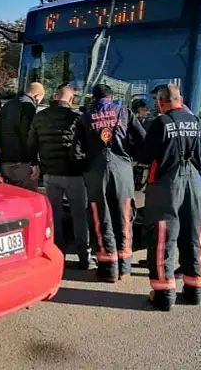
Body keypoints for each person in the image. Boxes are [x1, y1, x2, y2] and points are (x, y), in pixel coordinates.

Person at [138, 83, 201, 312]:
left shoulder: (161, 123)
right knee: (193, 234)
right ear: (181, 98)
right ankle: (194, 289)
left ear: (160, 101)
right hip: (194, 184)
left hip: (167, 185)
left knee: (162, 236)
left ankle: (163, 294)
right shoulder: (197, 122)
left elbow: (145, 155)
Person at [73, 84, 146, 282]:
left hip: (96, 172)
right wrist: (132, 156)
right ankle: (124, 267)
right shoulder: (124, 111)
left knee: (101, 217)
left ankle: (108, 269)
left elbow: (76, 150)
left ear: (93, 99)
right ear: (111, 97)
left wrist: (87, 167)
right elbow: (142, 139)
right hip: (122, 170)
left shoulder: (84, 117)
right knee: (123, 216)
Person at [28, 84, 94, 269]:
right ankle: (84, 256)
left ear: (55, 96)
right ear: (71, 99)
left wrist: (35, 164)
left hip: (50, 173)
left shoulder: (40, 116)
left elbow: (31, 142)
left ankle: (58, 254)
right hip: (75, 174)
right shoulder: (77, 118)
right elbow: (87, 145)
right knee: (79, 214)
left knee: (55, 215)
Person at [0, 82, 45, 191]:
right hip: (22, 164)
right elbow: (27, 135)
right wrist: (34, 162)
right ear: (37, 96)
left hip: (5, 161)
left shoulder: (7, 105)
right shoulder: (29, 107)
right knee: (28, 199)